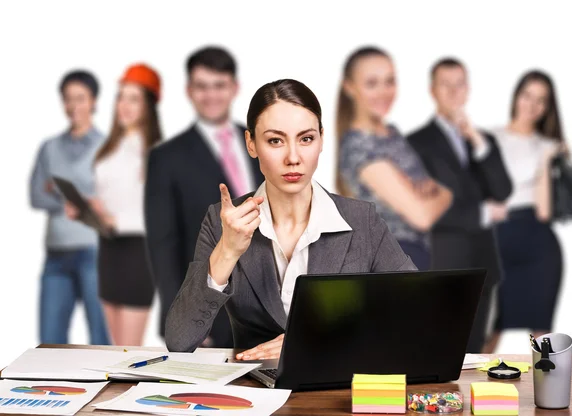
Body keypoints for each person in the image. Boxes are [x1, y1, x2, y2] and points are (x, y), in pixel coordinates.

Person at [166, 79, 416, 357]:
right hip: (253, 389)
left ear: (321, 139)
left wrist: (314, 340)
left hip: (336, 389)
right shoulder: (222, 221)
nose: (293, 157)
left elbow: (416, 312)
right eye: (275, 141)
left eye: (306, 139)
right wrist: (227, 251)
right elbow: (180, 341)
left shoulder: (362, 220)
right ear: (251, 144)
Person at [145, 47, 263, 348]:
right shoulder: (166, 158)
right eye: (202, 86)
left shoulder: (264, 141)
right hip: (210, 299)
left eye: (219, 85)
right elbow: (163, 245)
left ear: (234, 88)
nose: (211, 95)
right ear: (189, 90)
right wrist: (185, 316)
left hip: (267, 297)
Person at [407, 58, 512, 353]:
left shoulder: (483, 141)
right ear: (433, 90)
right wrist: (482, 213)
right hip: (443, 263)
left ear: (468, 89)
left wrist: (478, 143)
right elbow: (420, 208)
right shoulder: (415, 143)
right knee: (440, 350)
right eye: (446, 84)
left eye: (460, 84)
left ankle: (472, 401)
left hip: (483, 263)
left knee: (475, 351)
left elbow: (503, 190)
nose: (454, 91)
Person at [336, 47, 452, 270]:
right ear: (349, 87)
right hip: (395, 262)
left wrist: (427, 195)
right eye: (372, 83)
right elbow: (422, 217)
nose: (384, 91)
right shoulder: (359, 147)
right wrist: (444, 194)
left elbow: (424, 196)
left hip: (419, 257)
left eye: (390, 81)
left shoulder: (392, 134)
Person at [485, 70, 566, 352]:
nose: (532, 105)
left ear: (547, 108)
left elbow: (544, 212)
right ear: (517, 96)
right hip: (495, 241)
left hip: (537, 244)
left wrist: (547, 160)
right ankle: (465, 396)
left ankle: (550, 395)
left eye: (541, 100)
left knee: (542, 336)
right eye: (527, 95)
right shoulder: (489, 137)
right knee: (487, 333)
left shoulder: (549, 147)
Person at [29, 70, 109, 345]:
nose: (74, 106)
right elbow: (36, 196)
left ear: (93, 101)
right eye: (68, 99)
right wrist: (70, 201)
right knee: (49, 340)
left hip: (94, 253)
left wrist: (80, 200)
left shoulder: (106, 147)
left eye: (80, 98)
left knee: (101, 338)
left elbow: (114, 198)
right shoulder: (49, 148)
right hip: (56, 254)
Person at [89, 63, 162, 345]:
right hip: (107, 249)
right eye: (121, 97)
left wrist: (115, 221)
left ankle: (130, 390)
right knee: (113, 348)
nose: (124, 105)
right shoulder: (109, 148)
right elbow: (110, 195)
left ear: (148, 105)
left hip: (137, 254)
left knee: (127, 352)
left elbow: (158, 216)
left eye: (134, 98)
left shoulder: (156, 154)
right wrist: (90, 209)